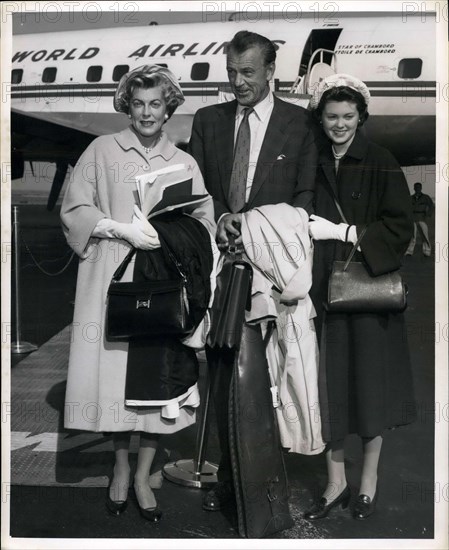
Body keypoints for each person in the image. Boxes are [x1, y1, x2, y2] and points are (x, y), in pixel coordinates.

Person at [60, 65, 216, 522]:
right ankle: (121, 471)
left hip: (163, 282)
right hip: (110, 277)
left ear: (169, 108)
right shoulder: (101, 150)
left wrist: (165, 235)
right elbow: (75, 207)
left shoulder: (184, 162)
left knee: (155, 388)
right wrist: (116, 227)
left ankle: (146, 475)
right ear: (126, 105)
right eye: (138, 103)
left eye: (156, 104)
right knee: (111, 385)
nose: (146, 113)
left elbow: (204, 223)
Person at [188, 30, 318, 512]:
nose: (238, 82)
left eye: (247, 73)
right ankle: (229, 474)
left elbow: (304, 196)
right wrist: (221, 219)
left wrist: (275, 246)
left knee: (278, 367)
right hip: (224, 262)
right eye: (231, 72)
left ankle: (271, 472)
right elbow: (199, 188)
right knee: (225, 367)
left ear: (269, 73)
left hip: (276, 266)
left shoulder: (300, 124)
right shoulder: (209, 120)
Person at [302, 74, 416, 521]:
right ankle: (335, 480)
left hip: (367, 291)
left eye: (349, 116)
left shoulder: (382, 160)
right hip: (319, 289)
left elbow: (400, 228)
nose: (340, 124)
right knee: (327, 386)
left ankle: (367, 480)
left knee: (370, 388)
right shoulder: (311, 160)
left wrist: (346, 232)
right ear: (321, 117)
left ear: (361, 117)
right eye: (332, 116)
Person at [405, 182, 434, 257]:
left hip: (422, 218)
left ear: (421, 188)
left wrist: (428, 214)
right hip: (413, 218)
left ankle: (426, 251)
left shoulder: (426, 197)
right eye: (416, 187)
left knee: (424, 235)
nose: (417, 189)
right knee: (412, 236)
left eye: (418, 187)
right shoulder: (410, 198)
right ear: (414, 188)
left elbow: (431, 206)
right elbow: (407, 208)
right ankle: (409, 251)